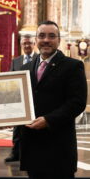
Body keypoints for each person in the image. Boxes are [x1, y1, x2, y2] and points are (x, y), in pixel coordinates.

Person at [20, 20, 87, 179]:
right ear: (36, 40)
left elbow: (77, 102)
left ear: (59, 40)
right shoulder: (25, 69)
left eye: (51, 36)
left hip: (58, 147)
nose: (46, 40)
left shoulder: (73, 66)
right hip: (32, 147)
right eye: (42, 36)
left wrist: (48, 120)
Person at [5, 34, 38, 162]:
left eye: (29, 43)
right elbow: (10, 78)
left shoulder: (39, 59)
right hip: (19, 100)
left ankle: (32, 154)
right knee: (17, 129)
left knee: (33, 128)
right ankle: (15, 153)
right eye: (24, 43)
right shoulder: (16, 61)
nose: (27, 45)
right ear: (21, 45)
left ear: (34, 44)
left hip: (35, 100)